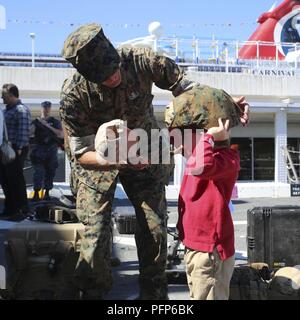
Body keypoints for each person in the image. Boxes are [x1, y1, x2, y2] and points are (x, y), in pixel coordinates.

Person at [60, 23, 249, 300]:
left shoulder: (142, 60)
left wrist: (226, 105)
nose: (113, 78)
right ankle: (93, 293)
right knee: (95, 236)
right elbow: (79, 153)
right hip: (99, 160)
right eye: (104, 77)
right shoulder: (73, 95)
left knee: (155, 231)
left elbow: (190, 90)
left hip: (146, 151)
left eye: (114, 70)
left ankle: (154, 298)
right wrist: (115, 160)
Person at [165, 86, 241, 300]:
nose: (179, 142)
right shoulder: (198, 155)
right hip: (197, 247)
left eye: (187, 134)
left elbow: (203, 166)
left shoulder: (226, 159)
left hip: (211, 252)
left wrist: (209, 136)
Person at [0, 84, 31, 220]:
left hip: (15, 150)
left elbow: (24, 131)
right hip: (7, 151)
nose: (2, 98)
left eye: (4, 95)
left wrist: (18, 150)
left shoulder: (21, 110)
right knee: (6, 181)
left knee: (16, 180)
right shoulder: (7, 110)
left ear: (12, 95)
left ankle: (21, 210)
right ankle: (10, 209)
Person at [30, 101, 64, 201]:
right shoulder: (36, 121)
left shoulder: (55, 122)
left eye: (48, 108)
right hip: (39, 149)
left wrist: (47, 125)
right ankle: (36, 193)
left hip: (51, 149)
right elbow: (30, 133)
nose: (46, 110)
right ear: (41, 108)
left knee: (50, 172)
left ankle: (47, 193)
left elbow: (60, 134)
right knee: (38, 172)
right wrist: (36, 124)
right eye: (45, 108)